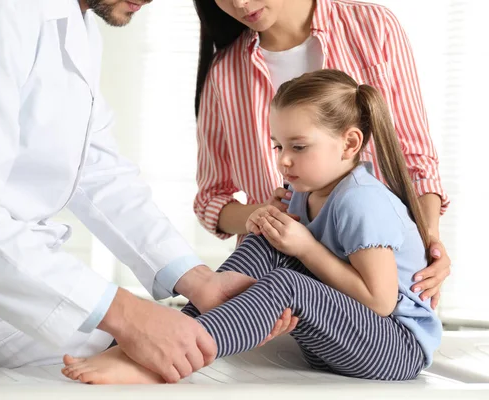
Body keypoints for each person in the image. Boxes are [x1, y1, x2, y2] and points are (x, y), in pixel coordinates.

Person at [0, 0, 293, 383]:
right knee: (177, 354)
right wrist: (127, 316)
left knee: (187, 342)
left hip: (9, 284)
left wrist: (197, 279)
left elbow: (97, 170)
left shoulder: (75, 20)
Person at [61, 69, 442, 384]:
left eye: (299, 147)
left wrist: (305, 247)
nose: (284, 161)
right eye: (278, 147)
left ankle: (174, 356)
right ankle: (173, 335)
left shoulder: (362, 201)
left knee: (290, 280)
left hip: (395, 348)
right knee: (265, 242)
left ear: (349, 143)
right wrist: (270, 226)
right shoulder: (304, 191)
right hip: (341, 339)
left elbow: (380, 301)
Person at [192, 0, 451, 309]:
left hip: (376, 280)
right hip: (277, 287)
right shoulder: (224, 73)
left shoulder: (372, 27)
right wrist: (265, 216)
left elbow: (416, 161)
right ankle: (179, 336)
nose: (239, 3)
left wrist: (430, 239)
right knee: (257, 253)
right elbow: (211, 198)